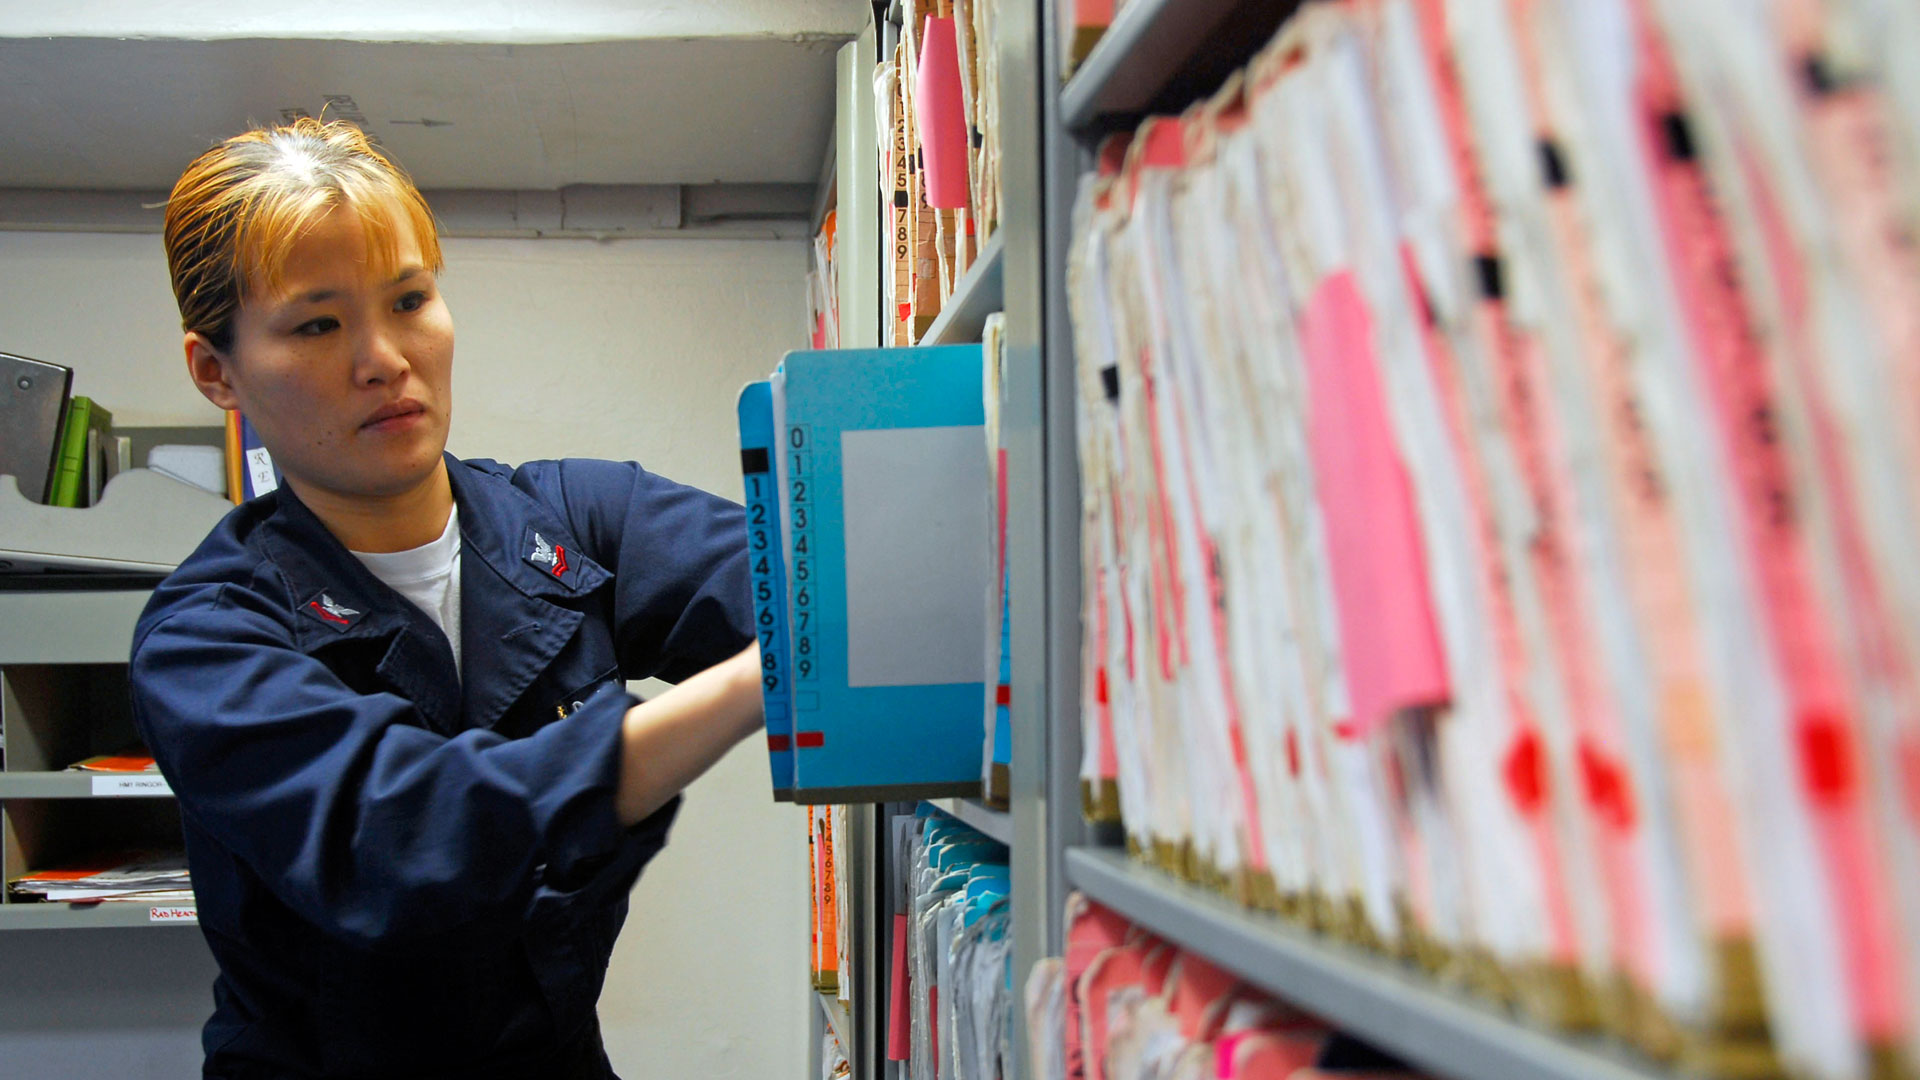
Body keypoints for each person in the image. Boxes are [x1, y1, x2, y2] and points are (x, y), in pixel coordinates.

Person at [128, 118, 764, 1078]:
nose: (383, 357)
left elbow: (822, 580)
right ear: (218, 371)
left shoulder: (580, 520)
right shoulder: (205, 640)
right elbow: (405, 835)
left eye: (411, 299)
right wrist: (768, 676)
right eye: (317, 323)